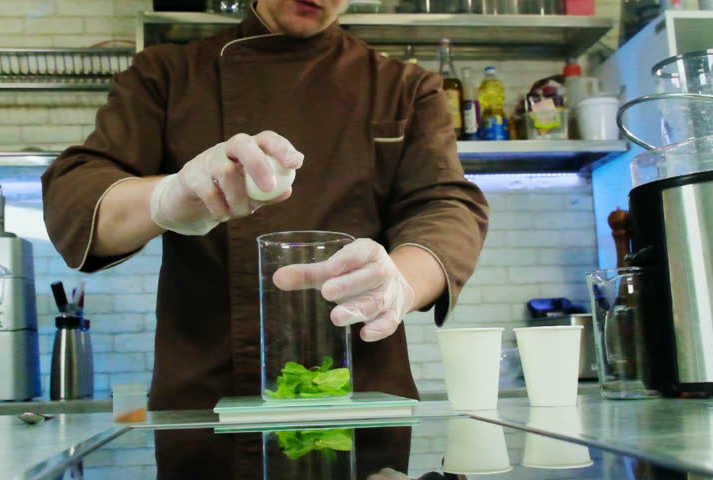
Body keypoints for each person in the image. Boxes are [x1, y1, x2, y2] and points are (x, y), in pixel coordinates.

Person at [42, 0, 488, 414]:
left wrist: (401, 284)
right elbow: (77, 193)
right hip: (205, 393)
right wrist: (165, 197)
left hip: (360, 388)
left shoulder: (404, 87)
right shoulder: (169, 74)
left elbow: (446, 205)